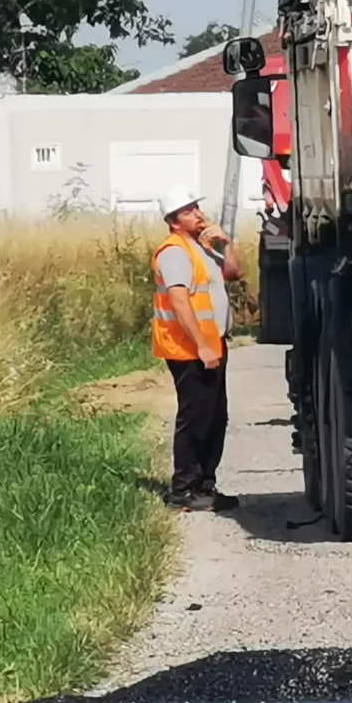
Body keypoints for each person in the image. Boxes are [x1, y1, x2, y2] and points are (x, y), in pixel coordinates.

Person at [152, 186, 241, 511]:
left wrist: (226, 243)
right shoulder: (174, 251)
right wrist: (203, 346)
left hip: (211, 345)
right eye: (189, 211)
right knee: (196, 418)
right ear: (174, 222)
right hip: (190, 350)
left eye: (197, 208)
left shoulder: (198, 248)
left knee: (216, 417)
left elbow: (234, 272)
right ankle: (183, 490)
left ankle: (205, 486)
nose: (199, 214)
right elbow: (179, 301)